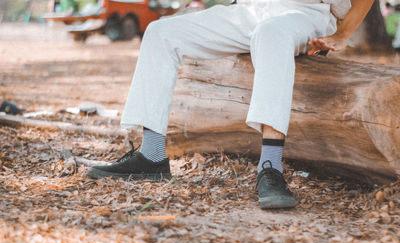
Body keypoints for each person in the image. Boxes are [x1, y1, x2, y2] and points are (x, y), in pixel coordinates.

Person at [87, 0, 374, 209]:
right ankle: (152, 155)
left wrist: (342, 34)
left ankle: (270, 167)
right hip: (248, 10)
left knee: (270, 33)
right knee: (160, 32)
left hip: (304, 13)